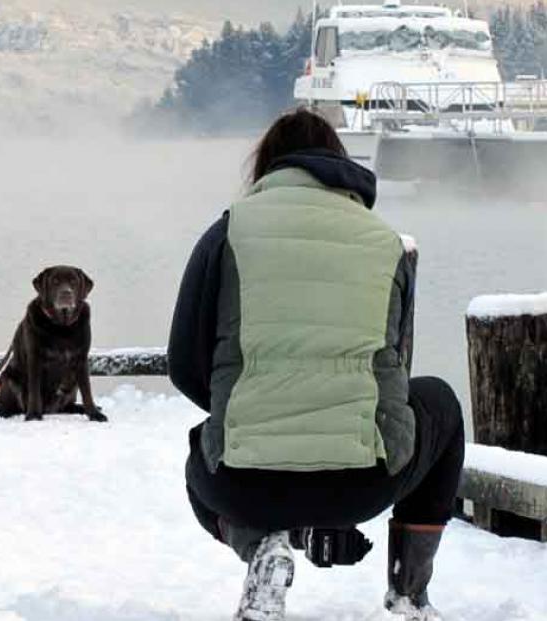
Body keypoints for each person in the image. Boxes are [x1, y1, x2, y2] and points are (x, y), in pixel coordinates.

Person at [168, 110, 464, 621]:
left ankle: (259, 547)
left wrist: (243, 414)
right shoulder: (384, 242)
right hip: (363, 484)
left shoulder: (226, 234)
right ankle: (409, 592)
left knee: (201, 453)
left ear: (266, 165)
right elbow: (391, 369)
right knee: (440, 401)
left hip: (243, 483)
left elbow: (184, 364)